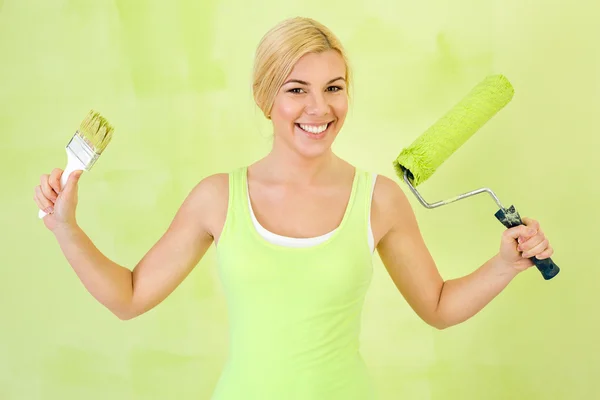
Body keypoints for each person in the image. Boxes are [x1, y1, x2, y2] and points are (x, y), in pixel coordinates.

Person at [33, 16, 554, 400]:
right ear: (267, 99)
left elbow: (437, 306)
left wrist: (505, 264)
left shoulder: (379, 200)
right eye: (296, 90)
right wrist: (66, 230)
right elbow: (128, 297)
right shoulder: (218, 197)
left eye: (334, 88)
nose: (318, 108)